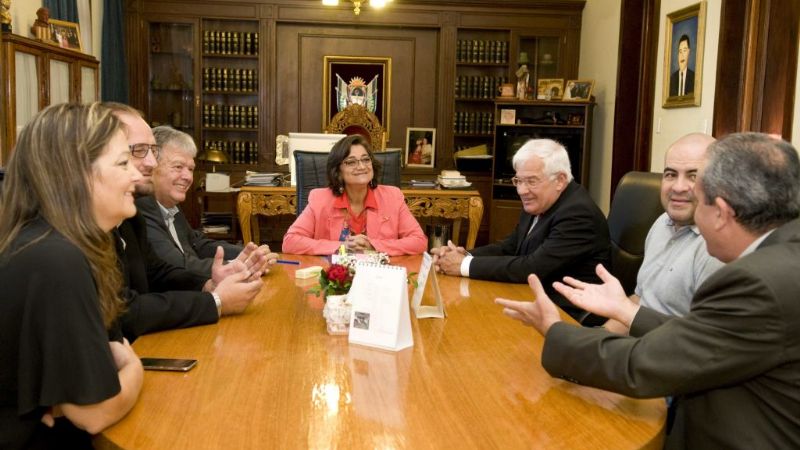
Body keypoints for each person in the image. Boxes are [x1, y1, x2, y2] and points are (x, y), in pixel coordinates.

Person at [496, 133, 800, 448]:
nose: (683, 194)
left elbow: (643, 364)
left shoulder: (757, 282)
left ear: (721, 213)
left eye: (699, 196)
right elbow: (699, 336)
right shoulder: (784, 256)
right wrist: (624, 312)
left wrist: (555, 330)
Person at [0, 103, 143, 447]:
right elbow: (95, 412)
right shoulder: (56, 260)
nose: (137, 175)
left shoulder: (53, 244)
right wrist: (135, 371)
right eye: (123, 163)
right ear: (74, 175)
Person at [104, 102, 264, 341]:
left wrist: (209, 284)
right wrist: (214, 301)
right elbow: (123, 310)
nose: (150, 162)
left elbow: (159, 272)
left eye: (152, 151)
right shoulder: (70, 239)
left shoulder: (130, 218)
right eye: (137, 151)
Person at [432, 138, 610, 321]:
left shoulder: (578, 214)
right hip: (532, 298)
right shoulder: (541, 201)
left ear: (560, 180)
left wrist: (462, 265)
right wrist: (464, 254)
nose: (522, 190)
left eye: (531, 181)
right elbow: (509, 247)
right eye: (518, 180)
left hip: (566, 314)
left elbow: (532, 268)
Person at [605, 133, 724, 333]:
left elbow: (705, 341)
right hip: (634, 347)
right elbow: (640, 301)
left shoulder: (718, 249)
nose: (678, 187)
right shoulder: (662, 222)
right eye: (670, 174)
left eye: (693, 176)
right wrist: (596, 338)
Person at [136, 126, 277, 278]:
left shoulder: (170, 205)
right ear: (152, 166)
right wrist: (242, 265)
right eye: (178, 167)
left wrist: (249, 253)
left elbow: (198, 244)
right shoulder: (142, 208)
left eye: (190, 169)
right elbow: (178, 264)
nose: (188, 177)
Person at [283, 134, 427, 256]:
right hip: (335, 278)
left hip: (379, 276)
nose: (362, 166)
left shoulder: (392, 197)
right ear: (338, 171)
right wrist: (341, 247)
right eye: (351, 162)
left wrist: (373, 245)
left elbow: (419, 241)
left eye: (366, 159)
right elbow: (290, 242)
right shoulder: (320, 199)